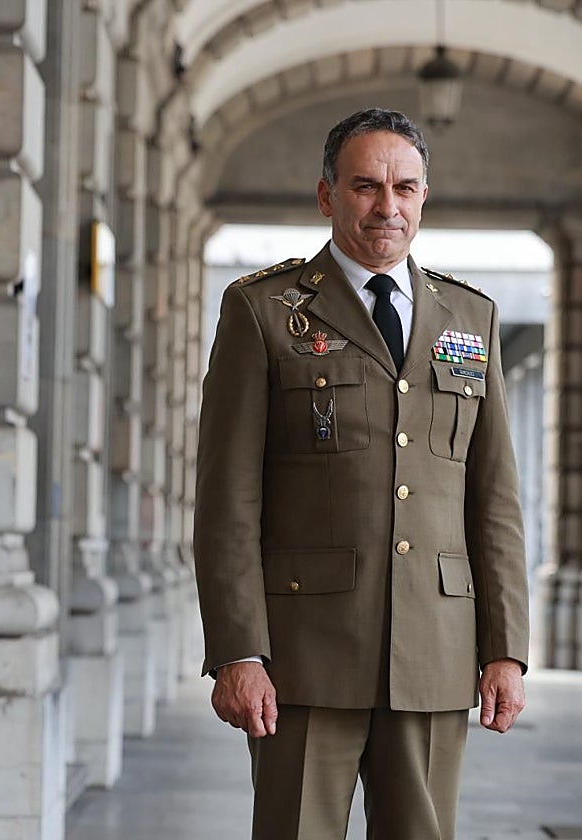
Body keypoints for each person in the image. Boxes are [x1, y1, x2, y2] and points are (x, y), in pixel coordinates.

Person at [194, 107, 530, 840]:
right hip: (304, 656)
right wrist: (237, 651)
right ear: (327, 195)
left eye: (405, 188)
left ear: (423, 197)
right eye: (366, 186)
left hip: (436, 652)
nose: (388, 207)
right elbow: (227, 499)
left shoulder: (471, 317)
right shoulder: (263, 310)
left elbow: (494, 497)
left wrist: (505, 648)